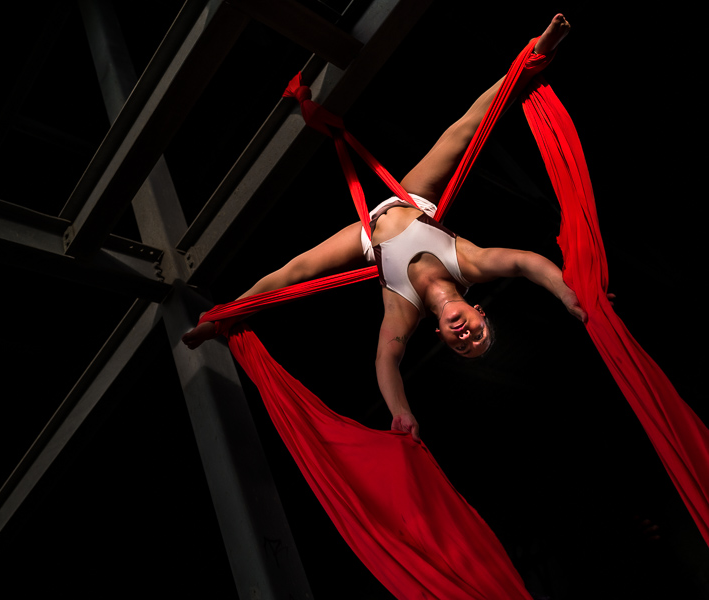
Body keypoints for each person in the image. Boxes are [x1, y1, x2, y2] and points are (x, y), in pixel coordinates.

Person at [184, 15, 581, 442]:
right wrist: (567, 294)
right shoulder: (469, 266)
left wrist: (401, 414)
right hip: (415, 201)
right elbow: (525, 262)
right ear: (478, 311)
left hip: (367, 238)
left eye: (461, 346)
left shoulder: (404, 310)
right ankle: (535, 55)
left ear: (442, 336)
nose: (467, 337)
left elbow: (386, 362)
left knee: (293, 271)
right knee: (465, 129)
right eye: (477, 334)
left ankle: (221, 317)